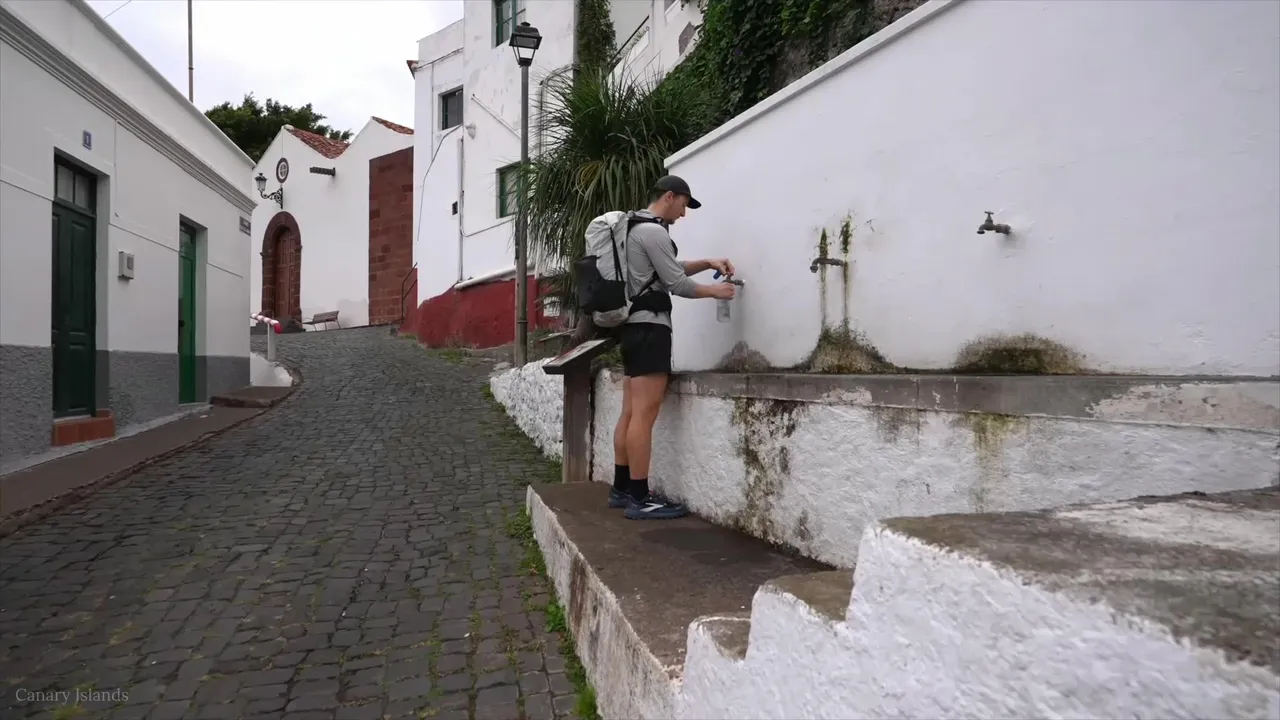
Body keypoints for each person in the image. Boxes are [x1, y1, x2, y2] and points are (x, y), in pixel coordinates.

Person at [608, 175, 737, 520]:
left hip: (633, 329)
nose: (684, 213)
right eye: (683, 204)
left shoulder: (636, 229)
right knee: (643, 416)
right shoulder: (654, 232)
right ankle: (639, 498)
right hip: (651, 328)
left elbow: (669, 269)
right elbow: (676, 283)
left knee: (630, 413)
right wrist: (715, 292)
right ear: (669, 196)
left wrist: (707, 262)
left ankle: (621, 489)